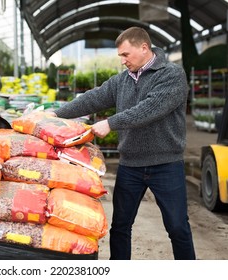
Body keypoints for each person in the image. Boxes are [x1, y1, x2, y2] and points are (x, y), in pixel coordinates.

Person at [51, 26, 196, 260]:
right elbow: (93, 98)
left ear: (144, 48)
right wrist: (57, 115)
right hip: (130, 166)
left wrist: (111, 123)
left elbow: (151, 108)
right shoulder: (122, 81)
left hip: (166, 164)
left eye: (125, 55)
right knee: (120, 227)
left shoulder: (172, 75)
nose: (122, 61)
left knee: (177, 227)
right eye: (120, 56)